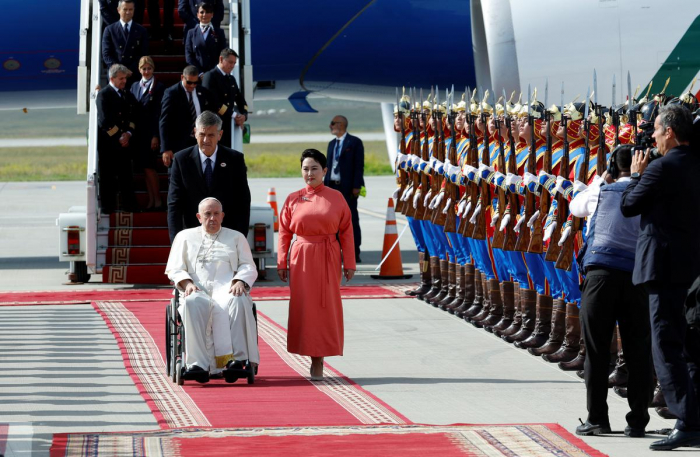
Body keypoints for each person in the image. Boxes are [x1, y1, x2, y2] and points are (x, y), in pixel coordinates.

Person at [621, 104, 700, 451]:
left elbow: (628, 205)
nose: (651, 135)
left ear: (669, 131)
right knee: (693, 347)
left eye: (655, 129)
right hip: (693, 268)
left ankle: (687, 420)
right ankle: (693, 416)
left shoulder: (660, 169)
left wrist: (637, 174)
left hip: (665, 269)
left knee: (665, 346)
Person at [569, 145, 653, 438]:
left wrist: (598, 180)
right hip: (636, 276)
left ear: (611, 168)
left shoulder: (600, 191)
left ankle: (597, 419)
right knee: (638, 350)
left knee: (596, 349)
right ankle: (638, 420)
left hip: (600, 275)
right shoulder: (647, 191)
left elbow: (574, 207)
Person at [277, 149, 356, 381]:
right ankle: (309, 353)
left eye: (314, 168)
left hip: (328, 256)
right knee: (304, 307)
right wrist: (282, 262)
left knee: (324, 307)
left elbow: (347, 232)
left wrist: (349, 262)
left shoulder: (337, 197)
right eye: (305, 168)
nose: (309, 173)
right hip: (300, 257)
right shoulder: (293, 198)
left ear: (324, 171)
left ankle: (319, 360)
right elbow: (284, 233)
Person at [165, 197, 258, 383]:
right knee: (192, 302)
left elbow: (248, 266)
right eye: (207, 214)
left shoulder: (236, 237)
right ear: (199, 217)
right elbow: (175, 268)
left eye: (216, 214)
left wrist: (240, 281)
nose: (212, 218)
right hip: (196, 289)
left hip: (228, 289)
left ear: (222, 216)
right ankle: (197, 364)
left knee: (238, 300)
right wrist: (187, 283)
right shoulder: (184, 237)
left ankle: (236, 361)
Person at [167, 110, 250, 242]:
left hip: (227, 235)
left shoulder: (234, 160)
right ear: (195, 133)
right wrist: (176, 241)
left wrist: (240, 238)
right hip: (192, 235)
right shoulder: (181, 160)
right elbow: (174, 204)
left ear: (220, 135)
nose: (206, 140)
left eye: (211, 135)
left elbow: (243, 201)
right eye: (202, 134)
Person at [96, 64, 138, 213]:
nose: (124, 81)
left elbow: (133, 116)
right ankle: (109, 208)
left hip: (125, 143)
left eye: (125, 78)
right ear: (112, 78)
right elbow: (104, 121)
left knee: (126, 177)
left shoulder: (126, 94)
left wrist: (128, 133)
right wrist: (119, 136)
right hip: (110, 144)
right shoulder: (104, 95)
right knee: (108, 179)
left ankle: (129, 206)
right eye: (121, 79)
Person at [324, 115, 365, 262]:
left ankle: (354, 252)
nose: (330, 126)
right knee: (333, 221)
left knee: (351, 220)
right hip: (332, 187)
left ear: (341, 125)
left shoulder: (354, 142)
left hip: (347, 188)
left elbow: (359, 166)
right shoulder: (331, 144)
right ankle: (335, 252)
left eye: (333, 123)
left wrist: (357, 186)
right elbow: (327, 166)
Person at [159, 65, 215, 167]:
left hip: (198, 142)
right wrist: (165, 148)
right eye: (189, 82)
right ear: (182, 78)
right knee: (178, 176)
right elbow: (164, 121)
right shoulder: (171, 93)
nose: (192, 85)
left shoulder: (202, 91)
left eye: (195, 82)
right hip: (178, 143)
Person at [129, 56, 166, 209]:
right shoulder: (134, 87)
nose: (146, 71)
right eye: (144, 69)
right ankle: (151, 200)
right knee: (144, 169)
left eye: (149, 68)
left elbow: (160, 113)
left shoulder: (159, 87)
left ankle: (157, 200)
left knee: (150, 168)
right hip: (138, 135)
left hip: (151, 134)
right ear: (139, 70)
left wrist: (156, 135)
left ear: (153, 69)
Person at [201, 48, 248, 148]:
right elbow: (214, 103)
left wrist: (244, 115)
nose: (232, 66)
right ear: (221, 59)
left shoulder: (231, 79)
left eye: (234, 63)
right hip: (214, 126)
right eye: (230, 62)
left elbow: (240, 99)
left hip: (228, 125)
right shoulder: (210, 76)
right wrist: (234, 115)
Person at [102, 0, 149, 87]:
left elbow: (143, 53)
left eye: (131, 9)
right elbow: (106, 54)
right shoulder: (109, 30)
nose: (128, 12)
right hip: (116, 75)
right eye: (125, 9)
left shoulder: (141, 30)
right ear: (118, 10)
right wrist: (120, 70)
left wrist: (130, 70)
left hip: (134, 75)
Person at [185, 2, 227, 74]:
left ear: (212, 14)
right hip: (197, 75)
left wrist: (213, 73)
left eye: (207, 12)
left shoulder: (219, 33)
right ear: (197, 15)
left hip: (214, 74)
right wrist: (200, 73)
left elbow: (223, 54)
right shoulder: (191, 33)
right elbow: (189, 56)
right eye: (202, 12)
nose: (204, 15)